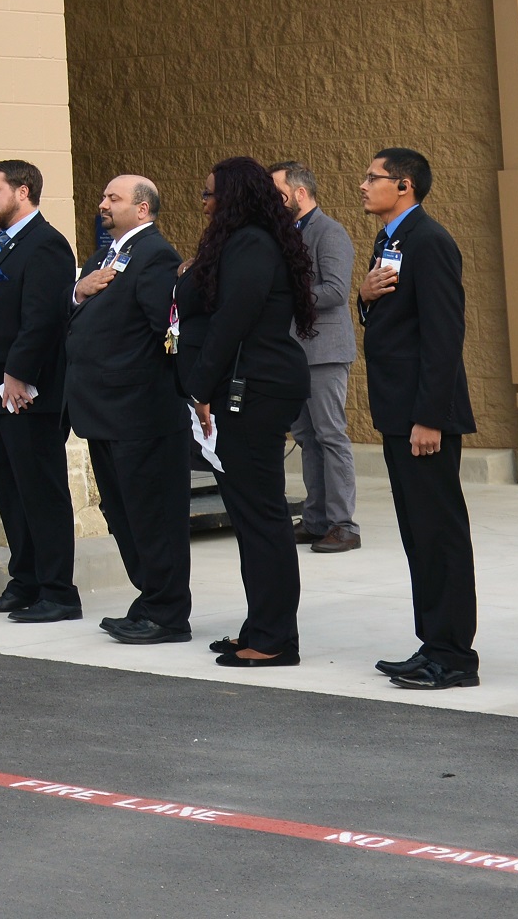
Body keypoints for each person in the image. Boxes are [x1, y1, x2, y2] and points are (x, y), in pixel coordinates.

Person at [179, 157, 313, 669]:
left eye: (211, 194)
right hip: (245, 388)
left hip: (257, 390)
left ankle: (276, 638)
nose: (204, 202)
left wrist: (198, 387)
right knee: (250, 515)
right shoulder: (235, 243)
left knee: (262, 516)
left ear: (234, 197)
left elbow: (233, 319)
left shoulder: (252, 243)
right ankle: (261, 624)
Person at [359, 145, 478, 690]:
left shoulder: (429, 241)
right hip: (397, 412)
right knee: (417, 533)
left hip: (423, 417)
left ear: (403, 186)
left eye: (373, 178)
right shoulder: (389, 241)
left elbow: (444, 332)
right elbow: (389, 316)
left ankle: (454, 657)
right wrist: (363, 298)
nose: (363, 185)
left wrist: (430, 416)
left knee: (439, 532)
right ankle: (432, 642)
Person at [64, 174, 188, 645]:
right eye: (103, 197)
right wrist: (79, 291)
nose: (102, 204)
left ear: (142, 209)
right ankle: (150, 596)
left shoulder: (156, 255)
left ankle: (168, 611)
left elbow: (167, 333)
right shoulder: (103, 255)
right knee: (123, 514)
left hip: (140, 411)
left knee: (152, 515)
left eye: (113, 198)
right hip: (103, 412)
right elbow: (81, 312)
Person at [0, 159, 78, 622]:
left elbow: (44, 318)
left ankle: (58, 591)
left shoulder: (47, 245)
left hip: (27, 394)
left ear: (22, 192)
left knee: (41, 491)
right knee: (10, 490)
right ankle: (24, 579)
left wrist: (18, 373)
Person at [272, 161, 362, 554]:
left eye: (277, 193)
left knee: (330, 435)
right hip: (293, 351)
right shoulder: (284, 234)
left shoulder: (330, 232)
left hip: (324, 350)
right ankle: (315, 520)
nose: (272, 201)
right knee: (307, 438)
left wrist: (281, 295)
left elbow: (336, 291)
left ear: (300, 194)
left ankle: (344, 525)